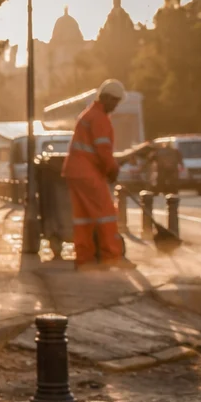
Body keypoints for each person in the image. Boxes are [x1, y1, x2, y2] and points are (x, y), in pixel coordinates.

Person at [64, 78, 131, 269]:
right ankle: (112, 256)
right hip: (87, 173)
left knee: (84, 218)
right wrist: (113, 169)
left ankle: (85, 260)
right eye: (115, 102)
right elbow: (103, 151)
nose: (116, 107)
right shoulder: (99, 118)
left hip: (76, 173)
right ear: (107, 98)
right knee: (106, 214)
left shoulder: (88, 115)